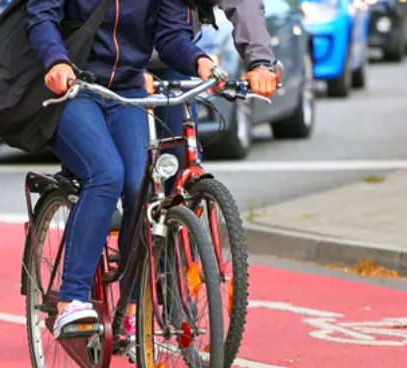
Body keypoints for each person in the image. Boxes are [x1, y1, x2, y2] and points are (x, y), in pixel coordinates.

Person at [26, 0, 222, 338]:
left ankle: (133, 309)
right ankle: (70, 301)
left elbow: (171, 35)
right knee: (106, 174)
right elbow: (42, 15)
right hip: (74, 88)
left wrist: (199, 60)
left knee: (141, 188)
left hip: (126, 91)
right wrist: (56, 60)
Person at [151, 0, 280, 192]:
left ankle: (177, 215)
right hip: (112, 64)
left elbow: (244, 4)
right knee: (125, 173)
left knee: (181, 155)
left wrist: (261, 63)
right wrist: (131, 71)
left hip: (174, 55)